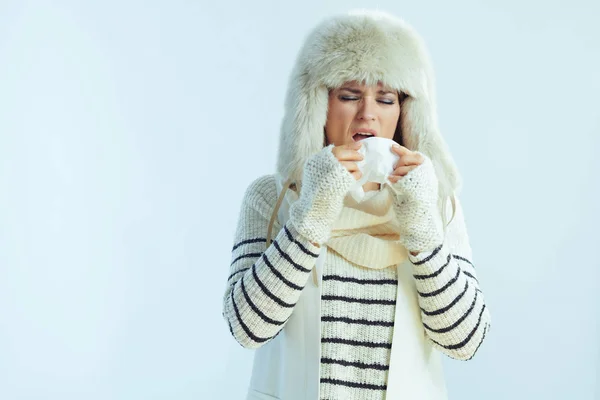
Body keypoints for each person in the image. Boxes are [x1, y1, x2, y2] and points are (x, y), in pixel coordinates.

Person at [222, 9, 491, 400]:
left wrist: (419, 221)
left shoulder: (434, 202)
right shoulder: (273, 196)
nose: (368, 113)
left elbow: (465, 341)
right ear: (318, 106)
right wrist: (314, 211)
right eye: (349, 96)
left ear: (404, 114)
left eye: (386, 99)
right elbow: (246, 328)